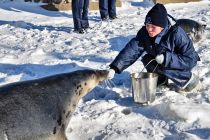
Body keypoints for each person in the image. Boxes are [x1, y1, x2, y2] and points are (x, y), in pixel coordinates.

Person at [107, 4, 200, 93]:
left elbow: (190, 59)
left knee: (163, 65)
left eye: (153, 27)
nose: (149, 29)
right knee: (147, 59)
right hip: (162, 61)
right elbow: (132, 50)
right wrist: (115, 67)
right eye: (147, 25)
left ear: (162, 27)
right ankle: (161, 80)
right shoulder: (144, 33)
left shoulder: (176, 34)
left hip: (183, 63)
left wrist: (167, 58)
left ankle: (191, 82)